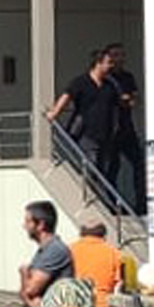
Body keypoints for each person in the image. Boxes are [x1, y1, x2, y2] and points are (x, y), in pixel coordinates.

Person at [48, 49, 127, 208]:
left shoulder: (110, 85)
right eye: (108, 63)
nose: (111, 66)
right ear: (98, 64)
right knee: (92, 165)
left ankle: (102, 199)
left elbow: (118, 104)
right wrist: (55, 112)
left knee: (104, 168)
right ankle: (95, 201)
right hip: (86, 133)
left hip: (105, 134)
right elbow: (67, 96)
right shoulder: (81, 82)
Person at [103, 42, 145, 211]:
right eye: (114, 55)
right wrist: (121, 99)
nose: (118, 59)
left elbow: (134, 99)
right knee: (112, 168)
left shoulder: (128, 77)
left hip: (126, 128)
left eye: (121, 55)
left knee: (139, 164)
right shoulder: (105, 79)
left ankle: (141, 203)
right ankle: (111, 204)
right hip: (110, 130)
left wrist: (129, 99)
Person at [67, 210, 125, 307]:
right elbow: (118, 287)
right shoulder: (114, 254)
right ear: (104, 235)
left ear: (81, 234)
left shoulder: (68, 251)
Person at [20, 199, 71, 307]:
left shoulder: (54, 250)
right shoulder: (44, 250)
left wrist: (23, 273)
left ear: (41, 225)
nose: (24, 226)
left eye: (28, 222)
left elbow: (30, 290)